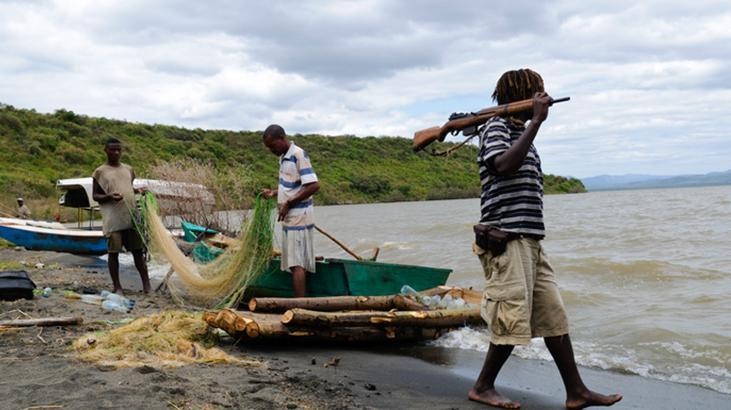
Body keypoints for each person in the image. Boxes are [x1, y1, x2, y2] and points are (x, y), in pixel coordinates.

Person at [469, 69, 622, 409]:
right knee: (511, 315)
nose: (544, 98)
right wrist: (537, 122)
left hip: (531, 241)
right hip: (507, 240)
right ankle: (482, 386)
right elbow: (503, 166)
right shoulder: (495, 128)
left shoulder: (516, 130)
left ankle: (576, 391)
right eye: (537, 92)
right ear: (521, 95)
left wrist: (530, 126)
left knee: (553, 316)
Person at [261, 124, 320, 298]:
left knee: (296, 264)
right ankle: (304, 301)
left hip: (299, 218)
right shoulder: (284, 157)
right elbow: (293, 186)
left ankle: (299, 305)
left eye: (272, 146)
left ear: (281, 139)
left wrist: (288, 203)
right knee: (299, 261)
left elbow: (314, 185)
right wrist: (273, 193)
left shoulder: (297, 155)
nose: (271, 150)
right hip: (292, 218)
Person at [92, 137, 150, 295]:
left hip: (131, 217)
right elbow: (96, 196)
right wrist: (110, 196)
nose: (116, 152)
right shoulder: (100, 172)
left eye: (119, 149)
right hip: (113, 219)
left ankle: (147, 285)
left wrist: (138, 191)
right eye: (112, 149)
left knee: (138, 251)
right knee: (114, 253)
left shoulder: (129, 169)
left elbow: (128, 187)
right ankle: (117, 286)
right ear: (106, 150)